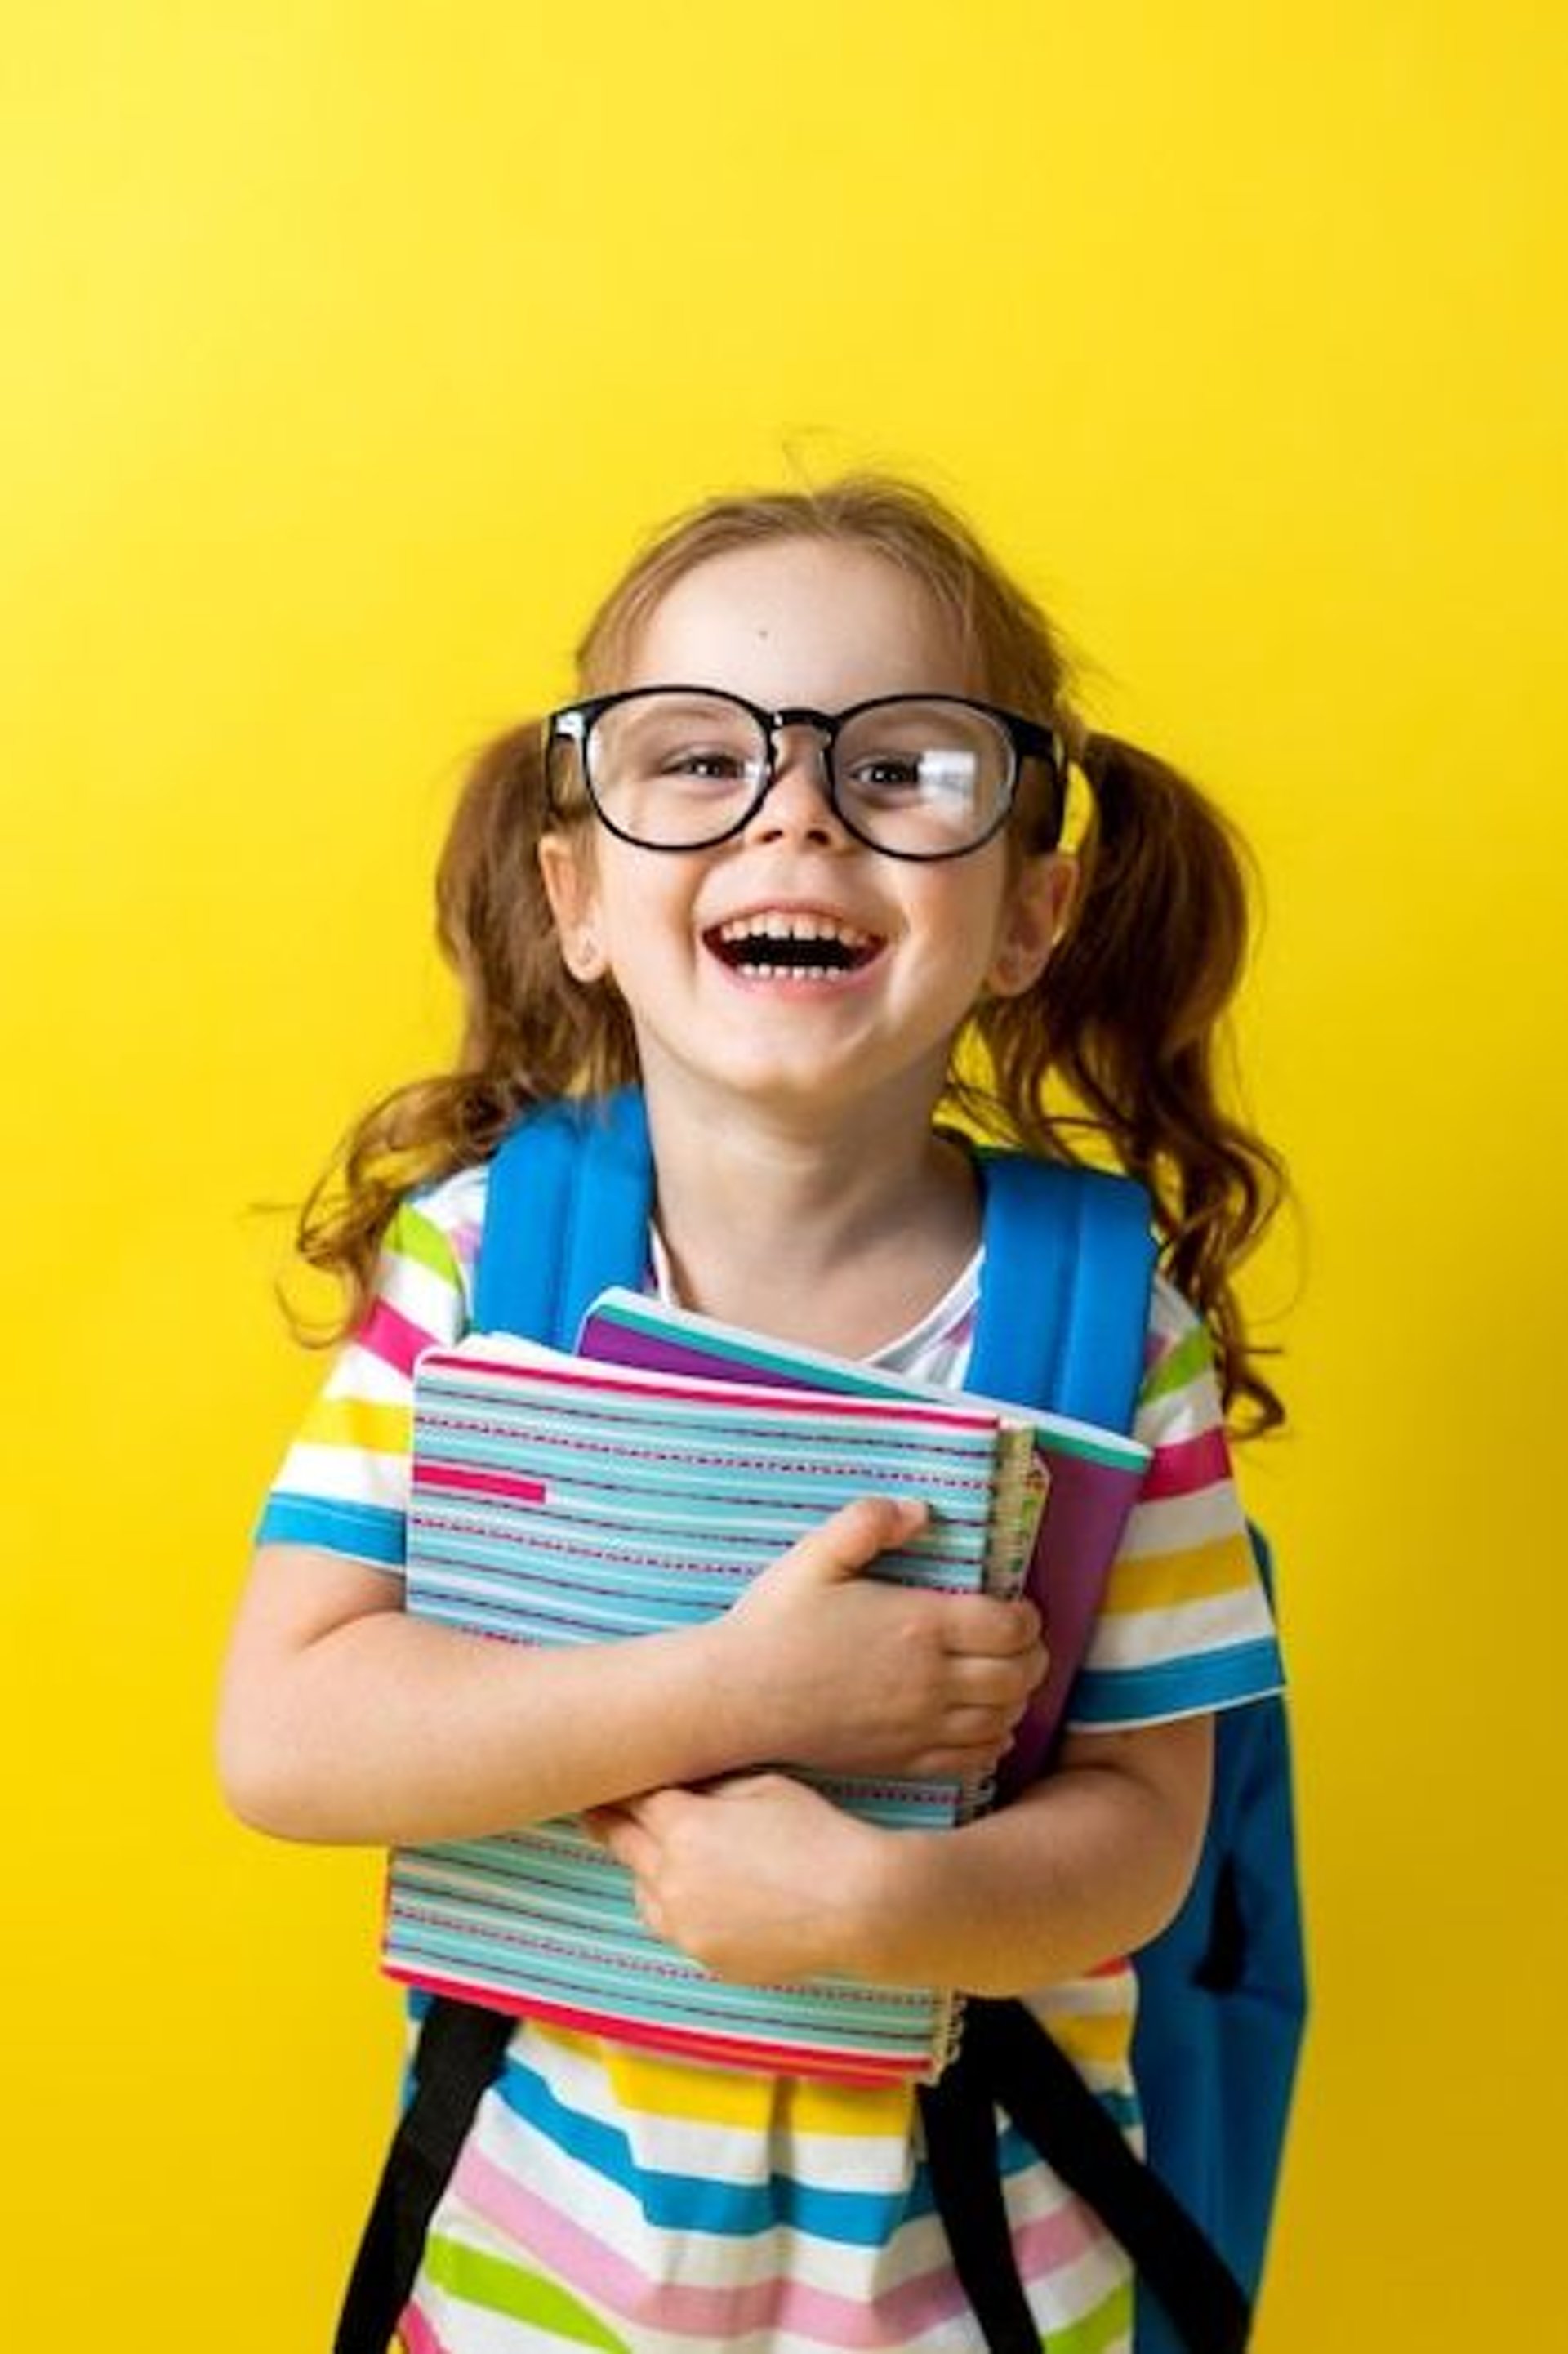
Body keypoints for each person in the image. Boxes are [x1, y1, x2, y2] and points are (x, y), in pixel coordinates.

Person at [219, 474, 1287, 2354]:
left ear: (1032, 910)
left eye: (906, 770)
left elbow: (1148, 1833)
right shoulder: (479, 1270)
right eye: (697, 761)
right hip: (534, 2277)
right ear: (580, 899)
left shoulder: (1121, 1333)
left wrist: (883, 1898)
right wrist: (750, 1691)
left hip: (982, 2279)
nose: (797, 809)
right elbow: (288, 1740)